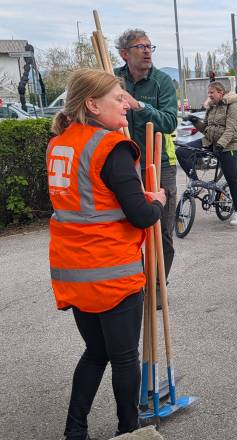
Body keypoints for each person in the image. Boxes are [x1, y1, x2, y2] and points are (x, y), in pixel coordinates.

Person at [47, 69, 166, 439]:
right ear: (92, 104)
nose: (126, 104)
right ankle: (128, 430)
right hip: (112, 273)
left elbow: (86, 202)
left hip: (74, 273)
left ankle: (75, 431)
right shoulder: (110, 148)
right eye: (119, 98)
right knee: (124, 357)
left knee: (96, 352)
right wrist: (158, 201)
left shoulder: (60, 143)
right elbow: (141, 215)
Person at [113, 28, 178, 281]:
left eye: (149, 46)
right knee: (125, 227)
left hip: (158, 163)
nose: (147, 51)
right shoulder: (112, 78)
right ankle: (135, 283)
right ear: (124, 54)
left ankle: (158, 285)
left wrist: (138, 105)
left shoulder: (161, 81)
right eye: (140, 47)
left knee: (161, 231)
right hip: (124, 163)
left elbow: (170, 121)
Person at [176, 82, 237, 225]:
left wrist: (220, 145)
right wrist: (195, 121)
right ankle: (197, 183)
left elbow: (231, 130)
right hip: (209, 142)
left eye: (212, 93)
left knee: (232, 180)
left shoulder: (233, 106)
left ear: (220, 92)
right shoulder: (211, 107)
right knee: (182, 152)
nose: (210, 96)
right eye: (209, 93)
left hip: (228, 146)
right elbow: (206, 128)